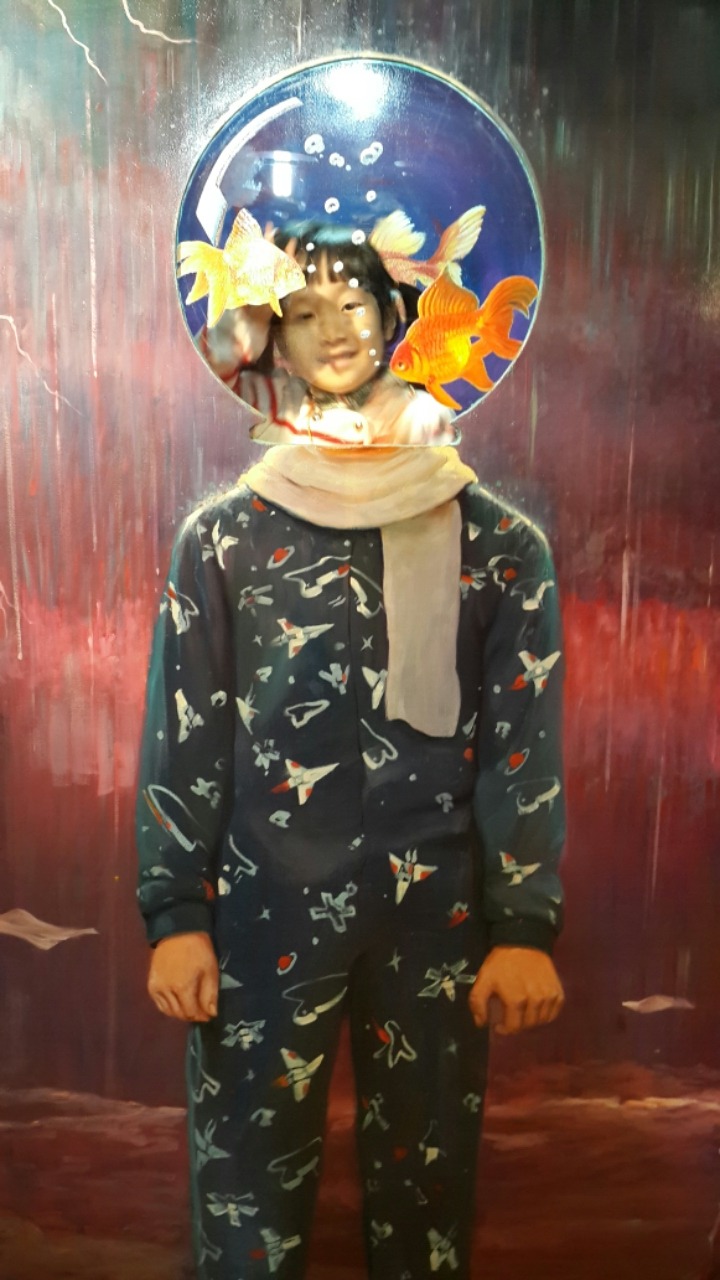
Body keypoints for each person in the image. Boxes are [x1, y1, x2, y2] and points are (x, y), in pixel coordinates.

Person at [136, 219, 565, 1280]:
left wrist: (524, 924)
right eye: (303, 310)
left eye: (354, 302)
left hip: (439, 917)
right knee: (247, 1197)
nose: (333, 330)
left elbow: (522, 748)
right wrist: (176, 915)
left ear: (397, 314)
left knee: (427, 1202)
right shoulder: (224, 540)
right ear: (270, 340)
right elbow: (186, 736)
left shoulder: (498, 545)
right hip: (260, 912)